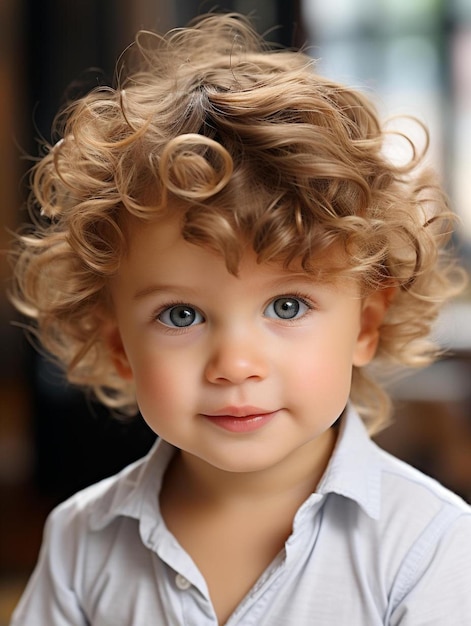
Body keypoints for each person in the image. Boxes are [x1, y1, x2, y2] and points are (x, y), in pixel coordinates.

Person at [9, 12, 471, 626]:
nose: (235, 365)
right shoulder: (81, 542)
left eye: (287, 306)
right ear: (118, 342)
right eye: (180, 315)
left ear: (365, 325)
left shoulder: (431, 547)